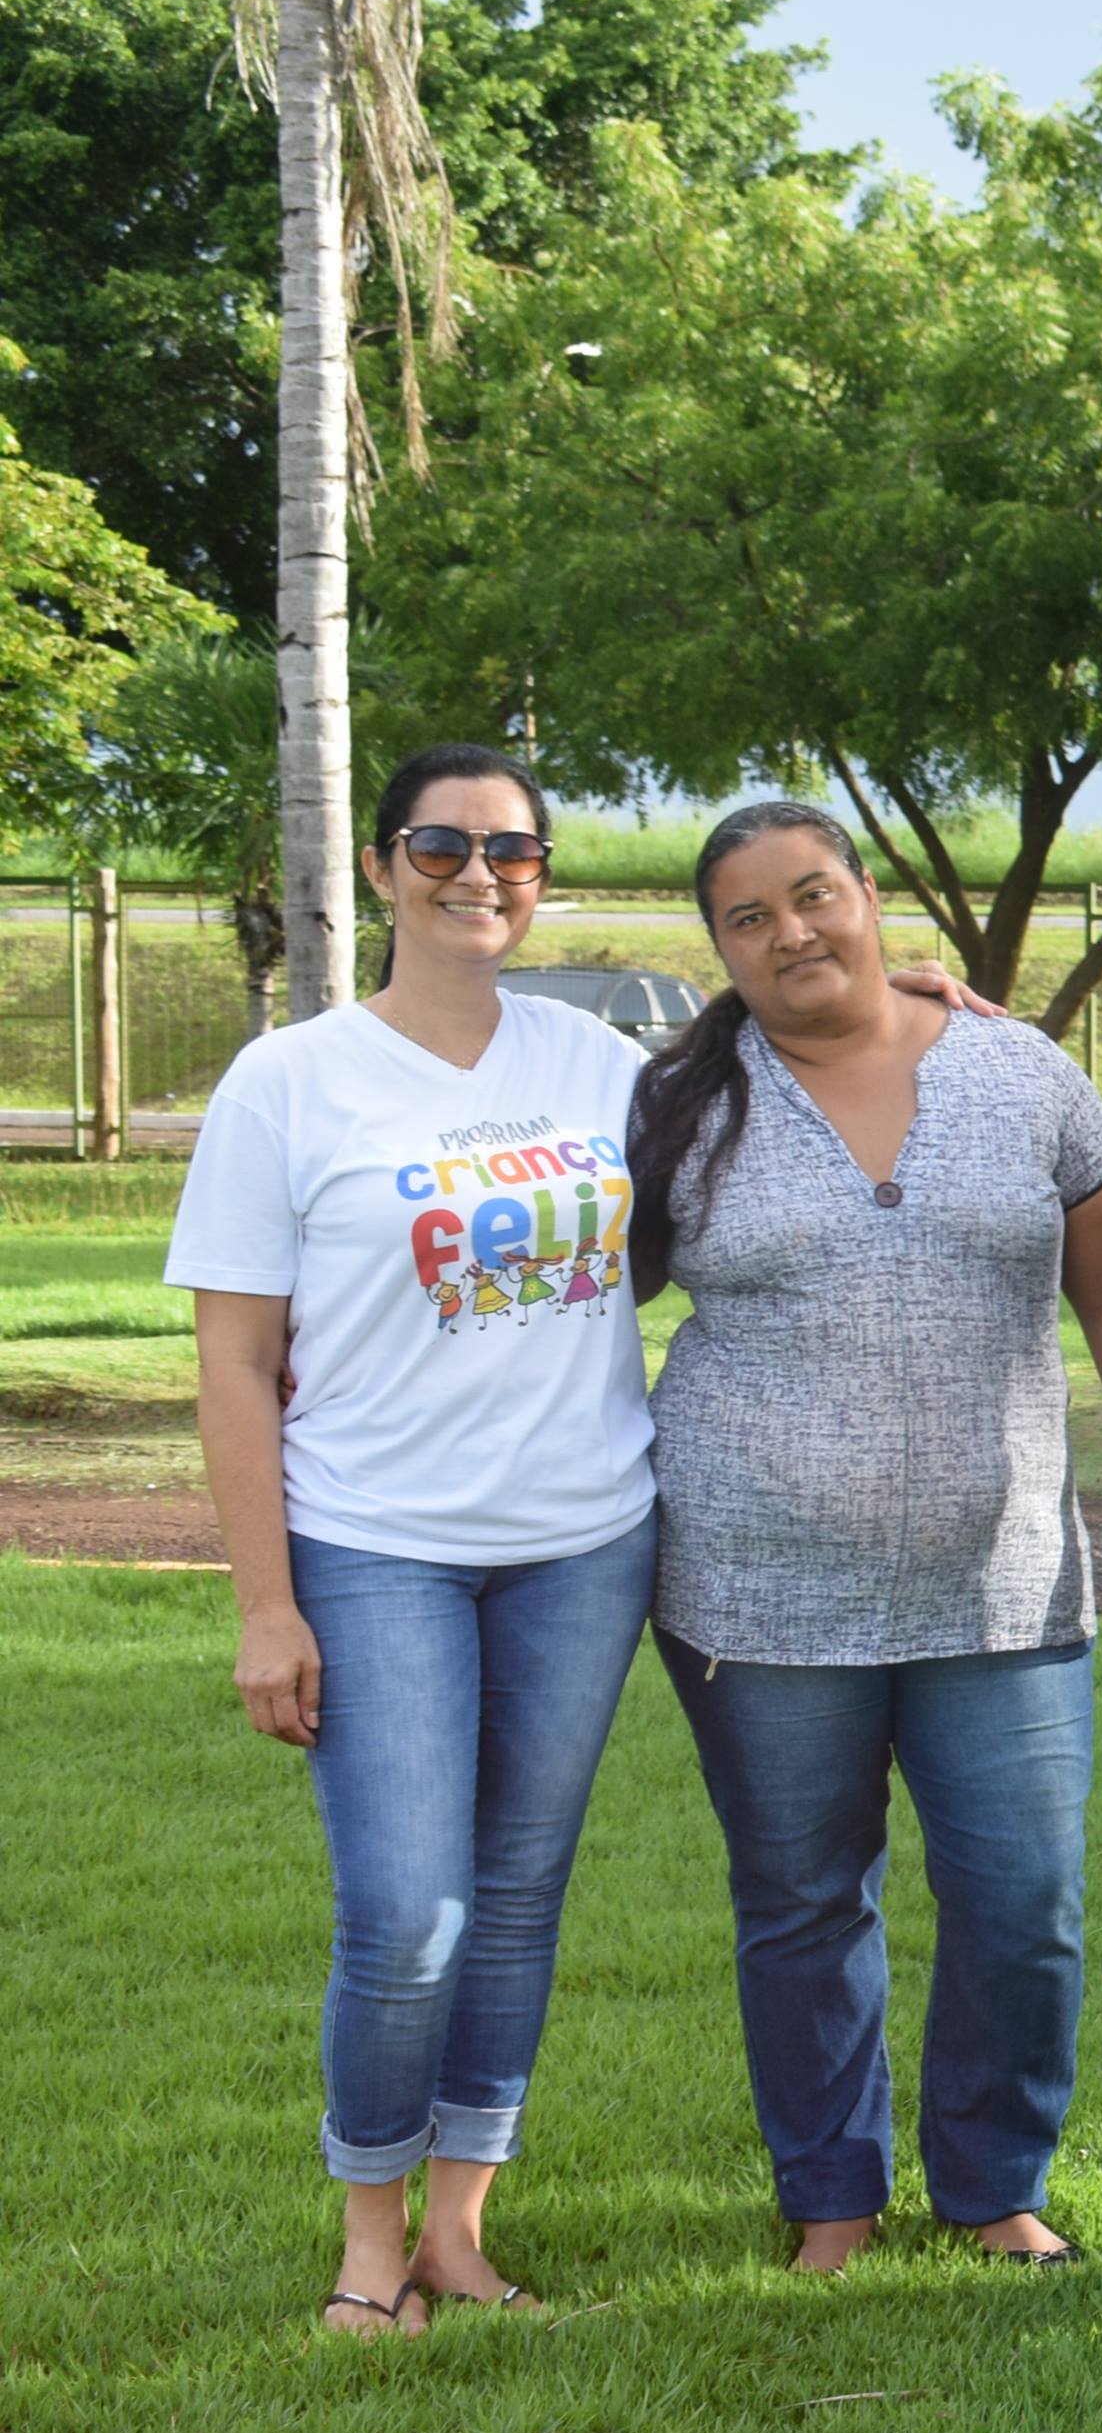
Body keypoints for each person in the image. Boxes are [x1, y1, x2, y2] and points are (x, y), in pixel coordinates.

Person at [629, 799, 1102, 2274]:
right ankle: (831, 2195)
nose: (790, 934)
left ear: (871, 895)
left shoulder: (1019, 1071)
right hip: (754, 1594)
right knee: (803, 1901)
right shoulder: (680, 1103)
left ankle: (992, 2180)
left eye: (813, 895)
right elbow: (572, 1290)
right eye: (748, 919)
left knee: (1024, 1898)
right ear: (718, 947)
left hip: (1002, 1585)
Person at [169, 744, 656, 2334]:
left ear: (542, 877)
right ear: (384, 868)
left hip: (583, 1538)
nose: (477, 873)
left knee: (516, 1894)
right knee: (405, 1910)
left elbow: (811, 1045)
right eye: (441, 845)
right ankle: (367, 2230)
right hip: (373, 1543)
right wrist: (265, 1604)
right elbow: (237, 1360)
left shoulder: (604, 1066)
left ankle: (459, 2228)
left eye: (511, 851)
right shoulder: (289, 1081)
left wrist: (927, 994)